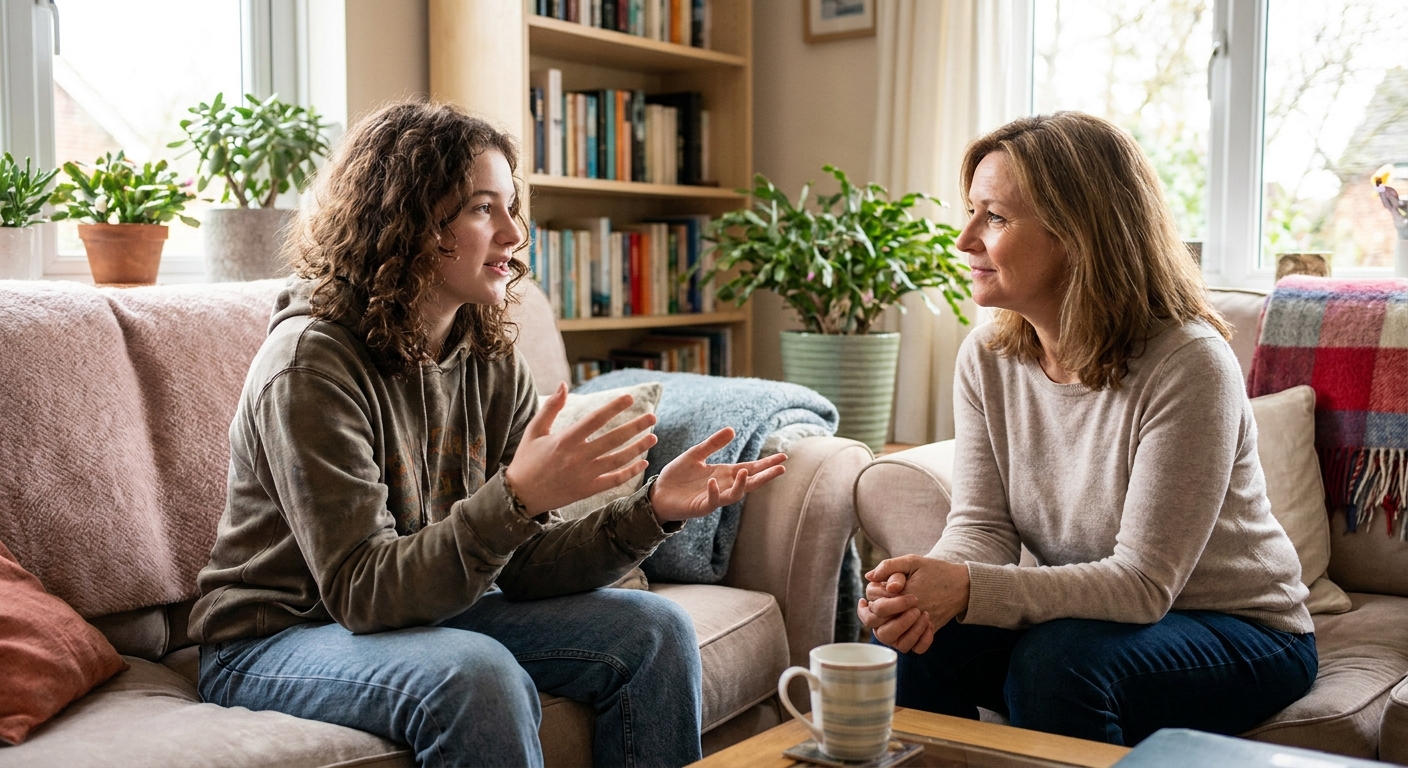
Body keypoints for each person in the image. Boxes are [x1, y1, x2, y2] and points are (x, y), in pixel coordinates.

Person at [188, 101, 787, 768]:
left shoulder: (487, 355)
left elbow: (523, 565)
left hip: (426, 608)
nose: (514, 232)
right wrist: (516, 498)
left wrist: (651, 511)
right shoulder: (309, 366)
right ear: (406, 221)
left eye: (511, 207)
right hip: (273, 636)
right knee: (476, 675)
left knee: (655, 630)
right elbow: (361, 591)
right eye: (482, 208)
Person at [857, 111, 1317, 746]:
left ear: (1078, 235)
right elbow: (982, 528)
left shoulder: (1189, 363)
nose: (964, 240)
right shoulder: (986, 357)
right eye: (971, 212)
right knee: (919, 640)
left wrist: (966, 589)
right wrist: (922, 592)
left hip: (1243, 631)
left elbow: (1142, 585)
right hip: (1096, 619)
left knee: (1058, 663)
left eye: (995, 217)